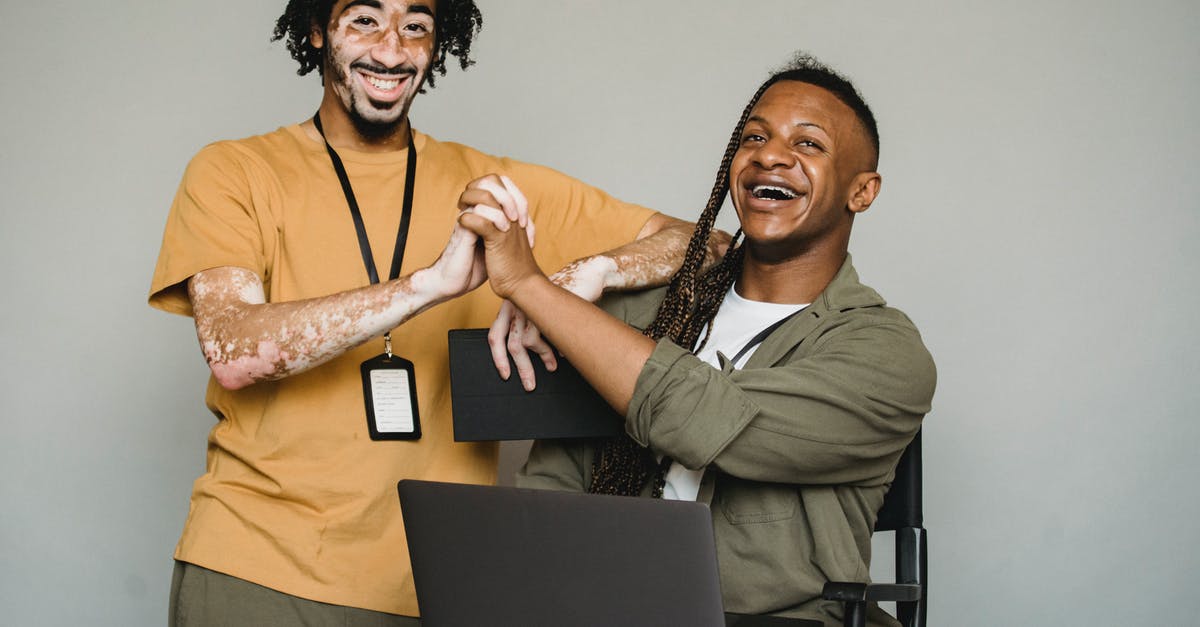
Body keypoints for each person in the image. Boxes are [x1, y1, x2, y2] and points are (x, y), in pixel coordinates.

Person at [148, 1, 720, 624]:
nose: (392, 50)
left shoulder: (493, 187)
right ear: (317, 29)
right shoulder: (236, 170)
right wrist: (425, 286)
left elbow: (709, 244)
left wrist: (582, 276)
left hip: (441, 580)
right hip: (257, 572)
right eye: (364, 19)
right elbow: (231, 350)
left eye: (415, 25)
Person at [458, 54, 937, 627]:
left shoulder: (884, 351)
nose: (770, 154)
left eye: (808, 144)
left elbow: (715, 425)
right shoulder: (647, 314)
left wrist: (533, 287)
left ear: (863, 192)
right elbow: (554, 488)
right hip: (606, 609)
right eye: (754, 136)